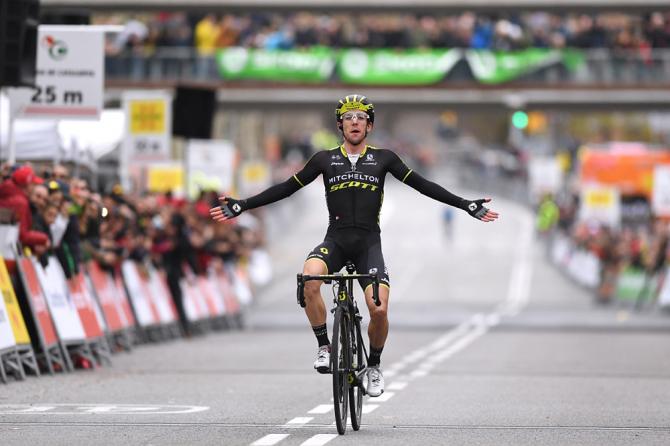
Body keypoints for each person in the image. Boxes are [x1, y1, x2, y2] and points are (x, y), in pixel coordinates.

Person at [210, 94, 499, 397]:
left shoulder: (384, 158)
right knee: (309, 278)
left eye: (361, 117)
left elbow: (423, 185)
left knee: (379, 309)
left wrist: (465, 204)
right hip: (335, 241)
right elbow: (286, 188)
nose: (355, 121)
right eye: (349, 117)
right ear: (340, 125)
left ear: (369, 126)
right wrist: (243, 204)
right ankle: (324, 346)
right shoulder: (324, 159)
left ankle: (373, 365)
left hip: (367, 245)